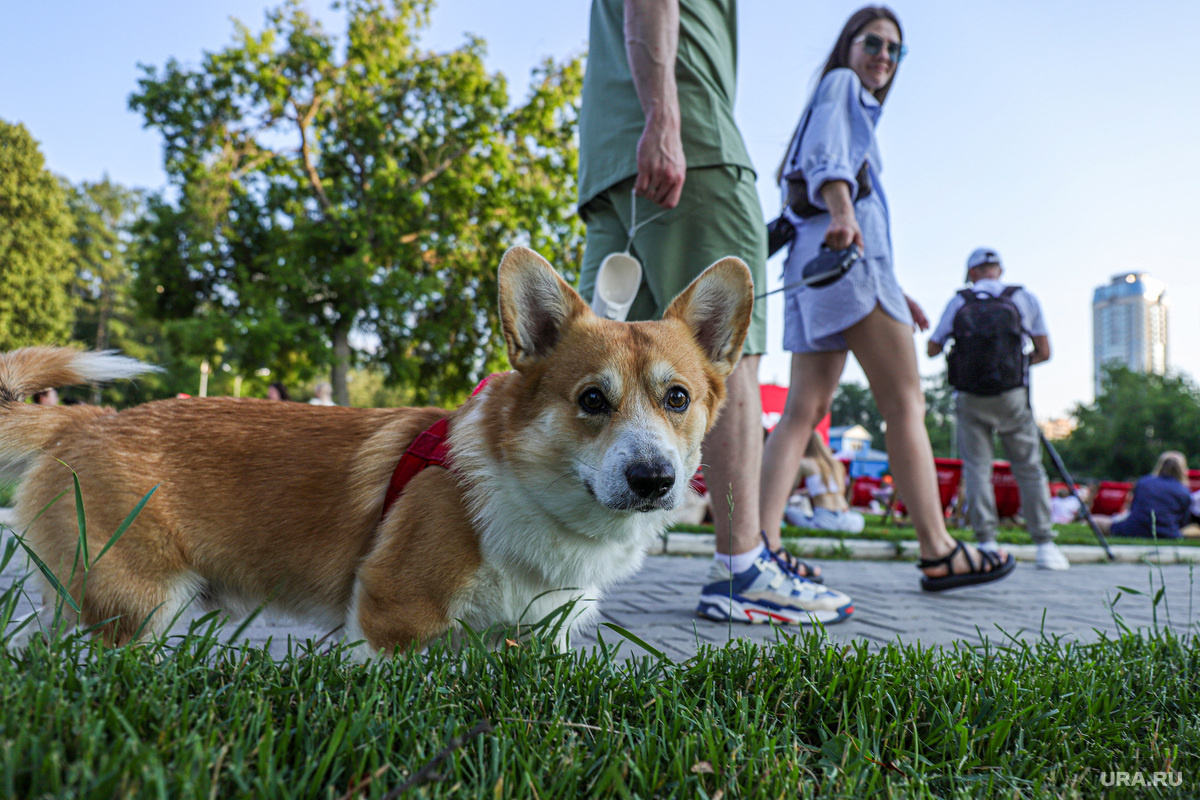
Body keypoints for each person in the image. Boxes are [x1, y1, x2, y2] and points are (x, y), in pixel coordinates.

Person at [579, 0, 854, 625]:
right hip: (690, 140)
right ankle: (743, 568)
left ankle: (552, 576)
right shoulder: (676, 124)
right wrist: (664, 117)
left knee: (594, 368)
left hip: (609, 154)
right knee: (725, 364)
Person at [759, 6, 1016, 593]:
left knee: (802, 412)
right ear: (848, 45)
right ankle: (938, 549)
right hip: (851, 263)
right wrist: (844, 213)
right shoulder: (841, 85)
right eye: (872, 42)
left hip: (819, 269)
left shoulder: (834, 98)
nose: (883, 55)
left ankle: (762, 546)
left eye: (894, 49)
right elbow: (831, 162)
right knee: (905, 404)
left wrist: (893, 285)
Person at [927, 248, 1070, 571]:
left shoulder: (959, 301)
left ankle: (987, 542)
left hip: (970, 397)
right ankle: (1044, 545)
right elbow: (1044, 351)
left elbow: (933, 348)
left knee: (977, 468)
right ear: (999, 270)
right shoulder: (1022, 298)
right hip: (1012, 396)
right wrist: (1015, 364)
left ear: (971, 273)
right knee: (1029, 468)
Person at [1094, 452, 1193, 539]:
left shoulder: (1144, 482)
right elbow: (1183, 521)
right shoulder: (1183, 491)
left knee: (1096, 520)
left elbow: (1134, 510)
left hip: (1133, 529)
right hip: (1167, 533)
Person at [785, 432, 865, 534]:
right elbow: (827, 490)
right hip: (846, 518)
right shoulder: (835, 464)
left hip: (824, 519)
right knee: (858, 519)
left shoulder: (805, 463)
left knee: (790, 512)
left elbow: (789, 491)